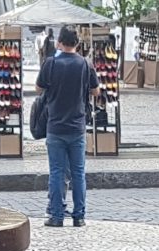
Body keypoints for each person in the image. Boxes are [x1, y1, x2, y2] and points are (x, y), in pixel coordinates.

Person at [37, 28, 99, 228]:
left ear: (59, 43)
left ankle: (56, 216)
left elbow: (39, 88)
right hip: (77, 125)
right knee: (78, 173)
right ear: (77, 43)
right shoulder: (84, 64)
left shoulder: (51, 63)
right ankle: (79, 216)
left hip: (55, 125)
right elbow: (96, 90)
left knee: (56, 172)